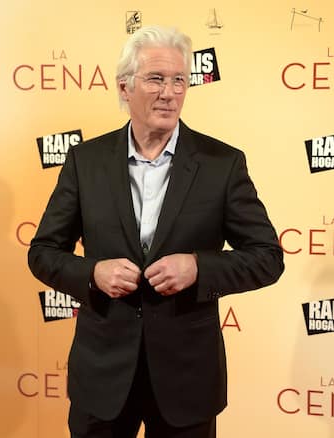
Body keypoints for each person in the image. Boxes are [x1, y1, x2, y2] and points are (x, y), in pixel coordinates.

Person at [28, 25, 284, 438]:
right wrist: (92, 274)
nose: (170, 92)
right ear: (125, 87)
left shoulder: (223, 164)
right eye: (156, 79)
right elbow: (42, 252)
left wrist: (199, 267)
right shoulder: (84, 161)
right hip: (102, 378)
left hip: (187, 381)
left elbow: (267, 257)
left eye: (180, 80)